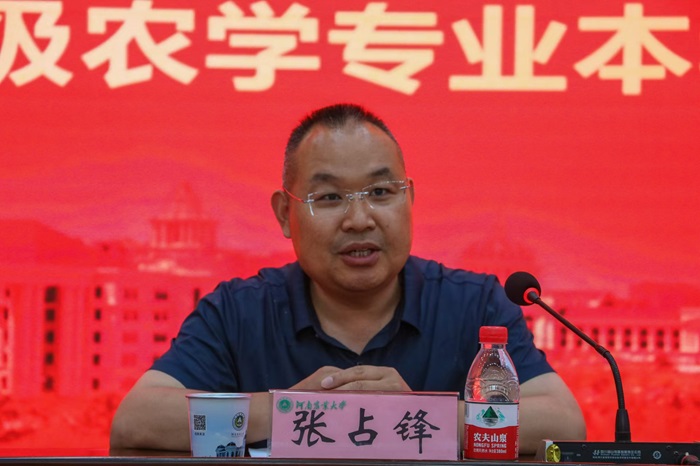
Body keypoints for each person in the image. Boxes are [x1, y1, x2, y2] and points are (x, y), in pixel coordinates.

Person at [109, 103, 586, 453]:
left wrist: (419, 417)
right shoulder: (239, 311)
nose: (360, 220)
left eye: (380, 192)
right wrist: (293, 411)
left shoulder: (474, 305)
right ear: (284, 215)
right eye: (330, 198)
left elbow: (563, 423)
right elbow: (137, 420)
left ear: (409, 199)